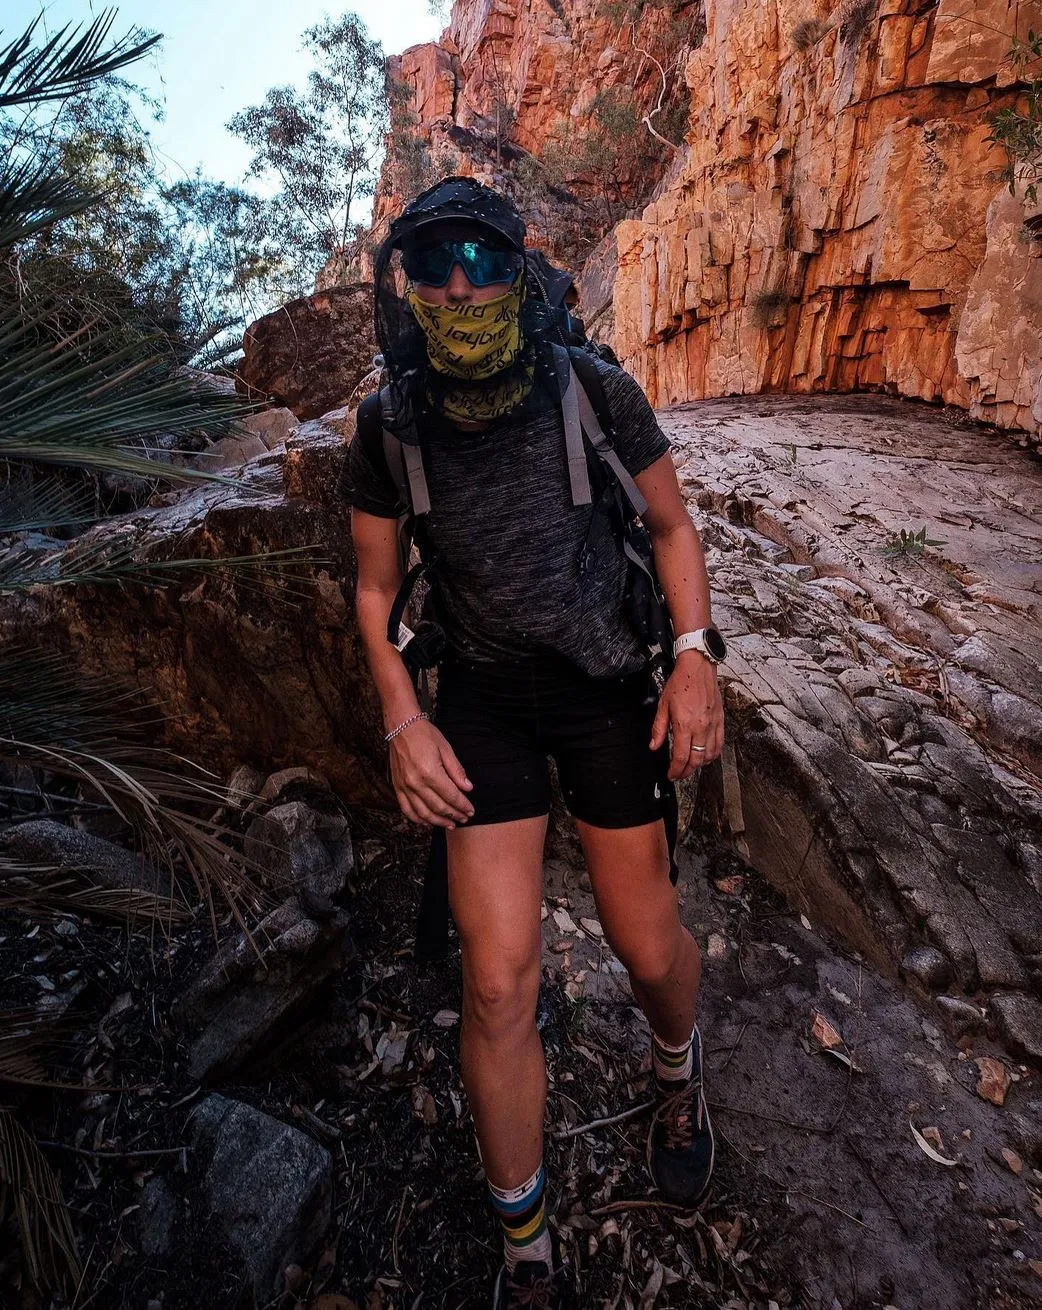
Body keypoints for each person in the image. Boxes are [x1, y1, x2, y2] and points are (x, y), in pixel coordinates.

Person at [344, 176, 725, 1309]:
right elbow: (373, 594)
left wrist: (696, 655)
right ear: (405, 283)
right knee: (500, 981)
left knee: (648, 947)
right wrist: (402, 716)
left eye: (480, 258)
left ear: (519, 268)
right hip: (480, 701)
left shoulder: (592, 390)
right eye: (433, 264)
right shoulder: (389, 423)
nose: (459, 283)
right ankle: (528, 1250)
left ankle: (675, 1067)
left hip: (605, 681)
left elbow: (669, 524)